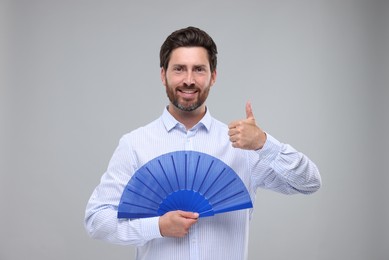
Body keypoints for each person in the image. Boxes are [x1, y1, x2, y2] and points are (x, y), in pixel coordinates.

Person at [84, 26, 321, 260]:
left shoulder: (242, 146)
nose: (189, 80)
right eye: (179, 69)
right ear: (163, 75)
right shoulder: (135, 145)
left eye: (199, 69)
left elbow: (309, 183)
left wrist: (263, 143)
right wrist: (157, 227)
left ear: (213, 76)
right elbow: (97, 220)